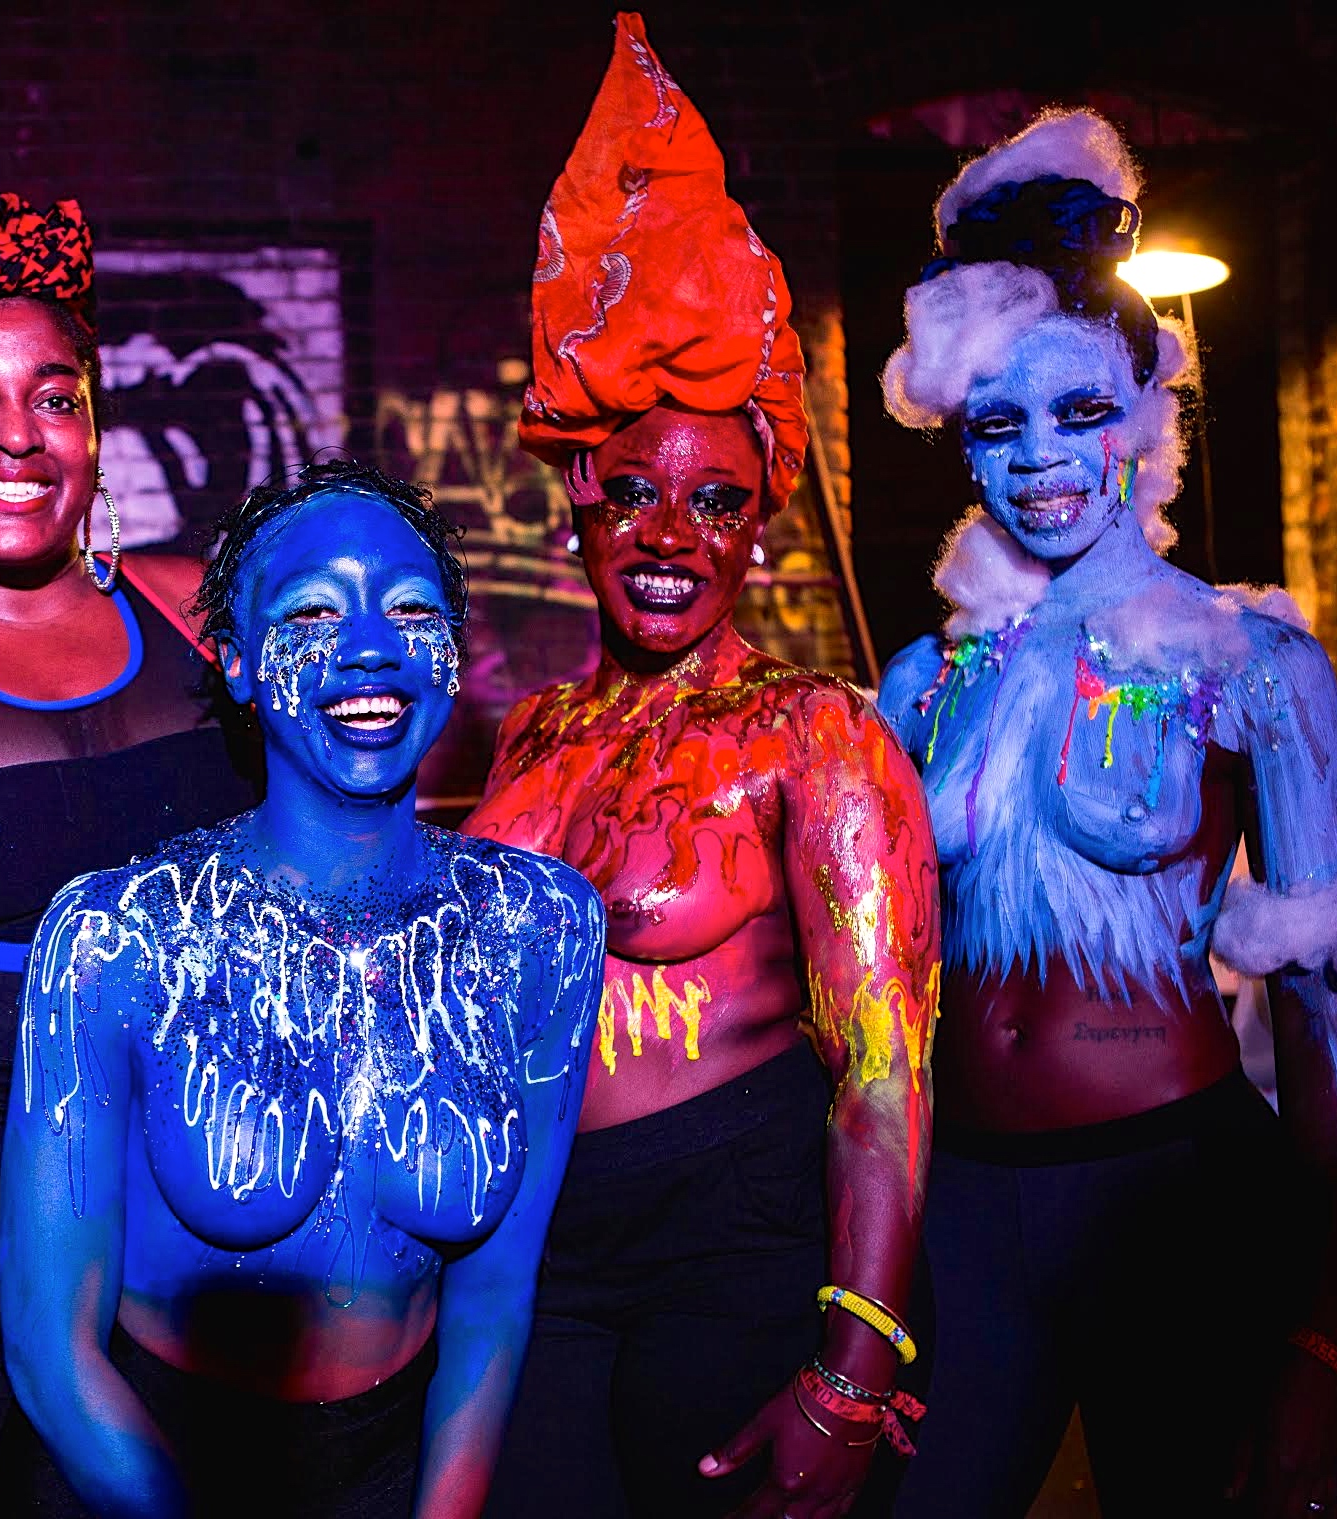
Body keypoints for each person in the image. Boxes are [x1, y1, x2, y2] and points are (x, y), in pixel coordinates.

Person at [875, 109, 1337, 1519]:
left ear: (1143, 415)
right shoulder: (920, 685)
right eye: (998, 420)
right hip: (962, 1215)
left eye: (1080, 408)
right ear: (960, 441)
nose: (1040, 454)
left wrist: (1318, 1330)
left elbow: (1320, 1011)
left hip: (1176, 1206)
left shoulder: (1249, 663)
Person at [464, 15, 941, 1518]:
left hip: (723, 1238)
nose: (670, 534)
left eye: (715, 501)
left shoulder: (821, 734)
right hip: (538, 1253)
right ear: (579, 516)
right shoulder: (529, 738)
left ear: (760, 526)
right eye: (635, 498)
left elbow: (883, 1075)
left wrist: (852, 1366)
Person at [0, 458, 605, 1518]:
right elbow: (49, 1347)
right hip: (132, 1470)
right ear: (234, 659)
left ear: (452, 658)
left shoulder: (539, 926)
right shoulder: (117, 937)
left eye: (411, 607)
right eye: (313, 611)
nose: (370, 644)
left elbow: (495, 1298)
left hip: (387, 1470)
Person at [0, 193, 262, 1515]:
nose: (14, 434)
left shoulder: (207, 614)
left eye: (54, 397)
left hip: (192, 1263)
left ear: (95, 431)